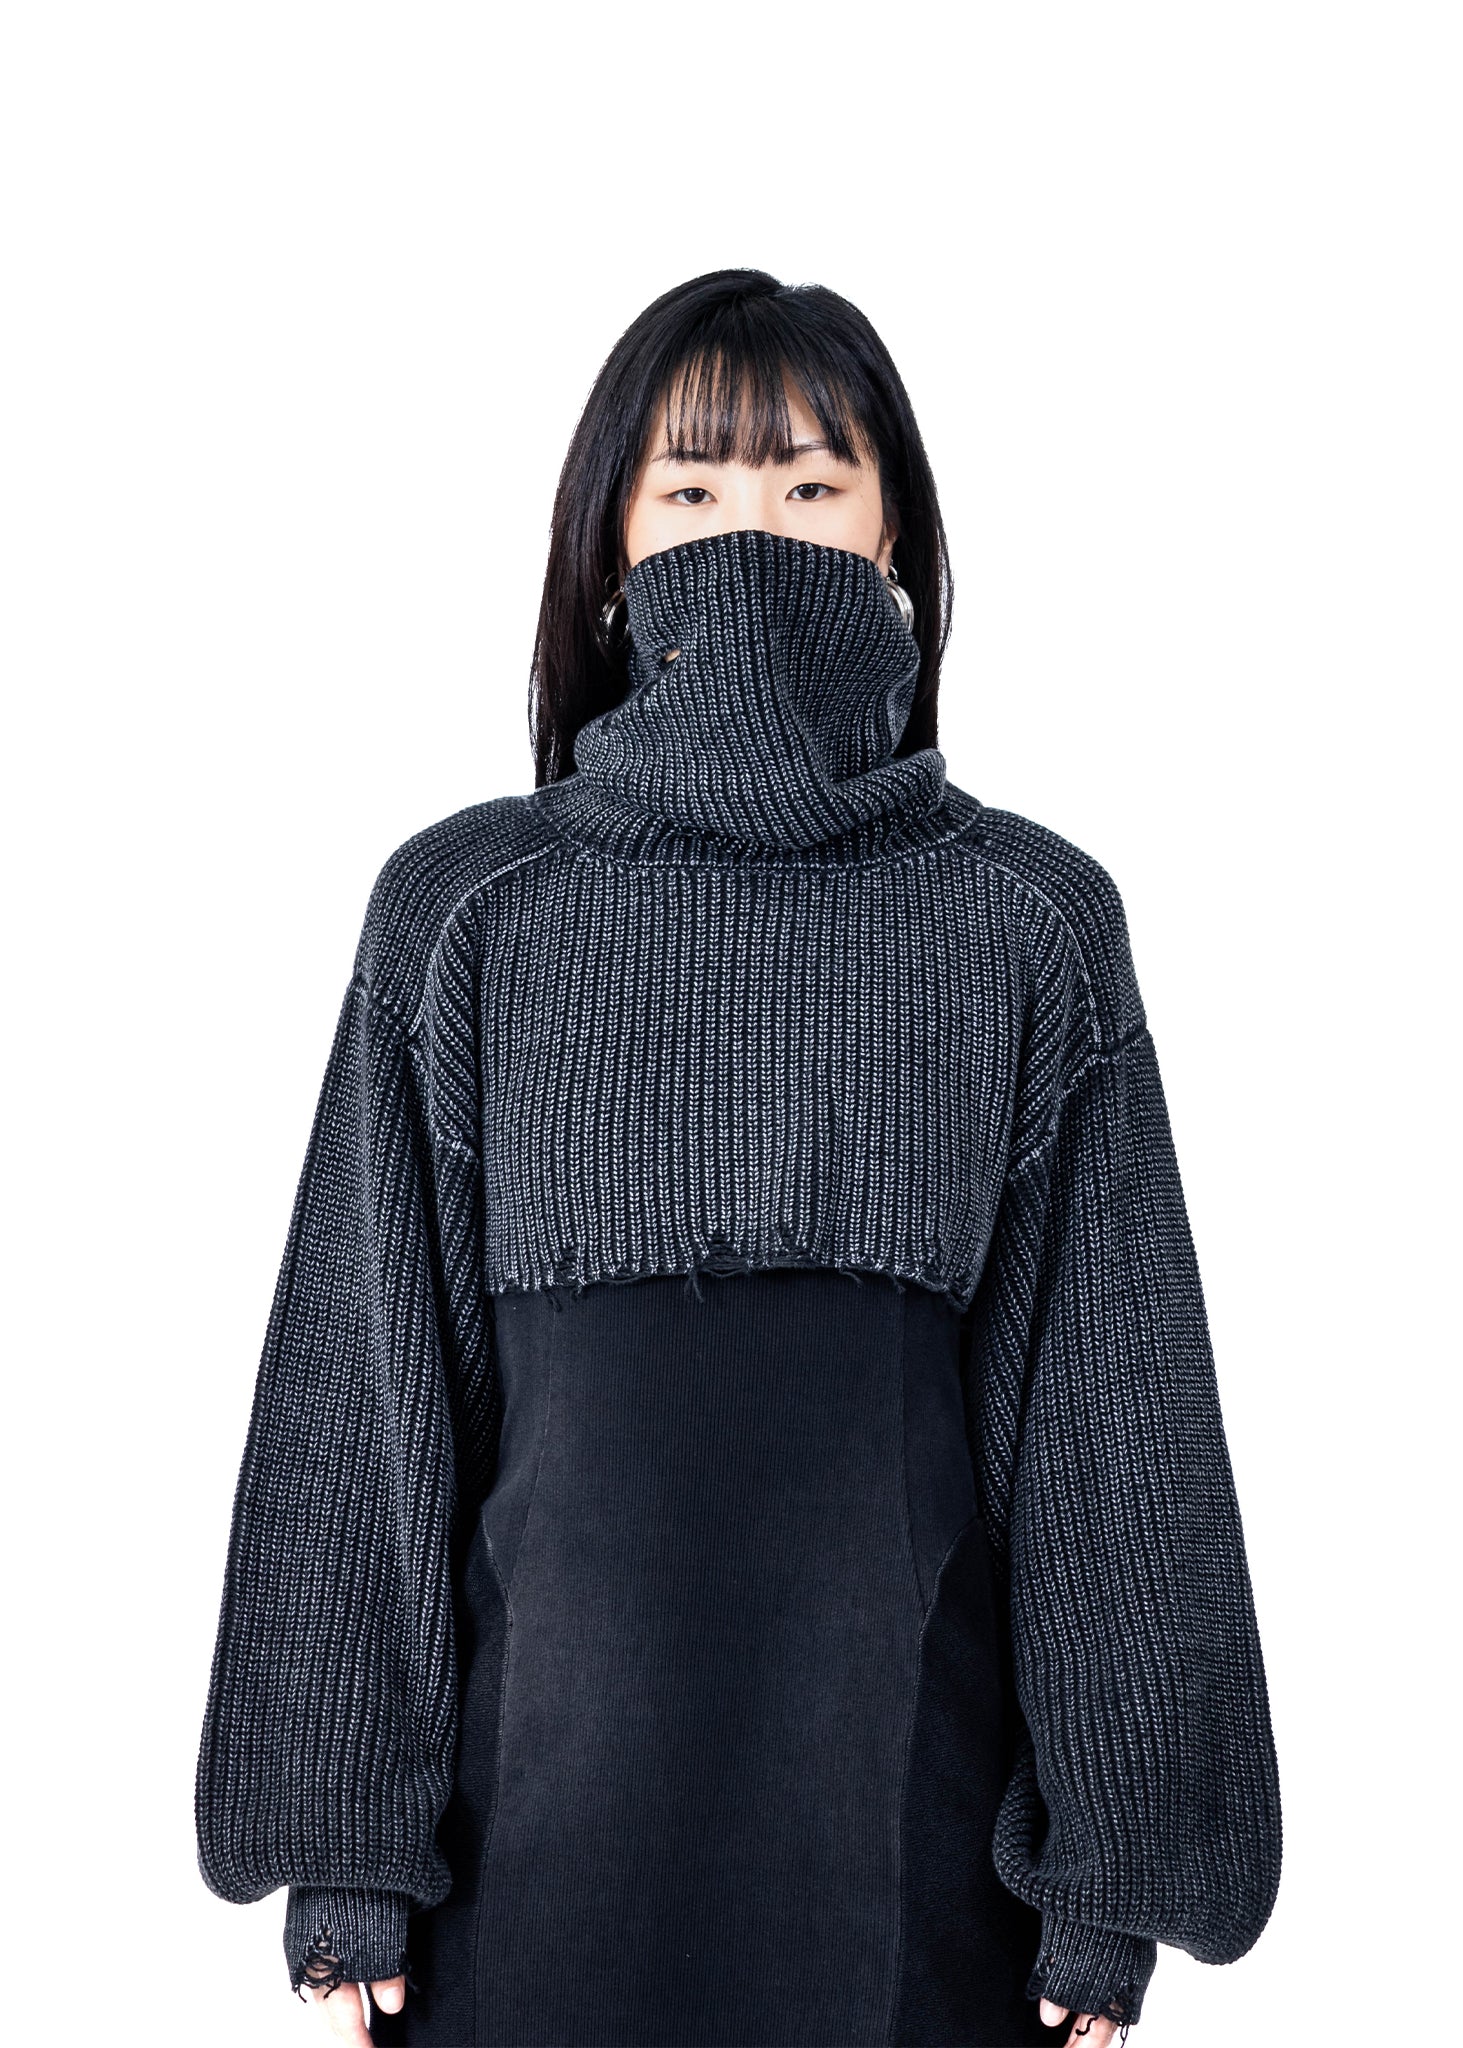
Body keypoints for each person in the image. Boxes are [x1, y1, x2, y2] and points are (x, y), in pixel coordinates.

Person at [194, 268, 1282, 2048]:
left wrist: (1119, 1875)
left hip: (914, 1848)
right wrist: (340, 1844)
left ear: (896, 534)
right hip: (530, 1847)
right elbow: (364, 1392)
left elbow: (1111, 1411)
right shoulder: (471, 909)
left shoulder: (1025, 921)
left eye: (809, 482)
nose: (752, 532)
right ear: (612, 547)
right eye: (691, 487)